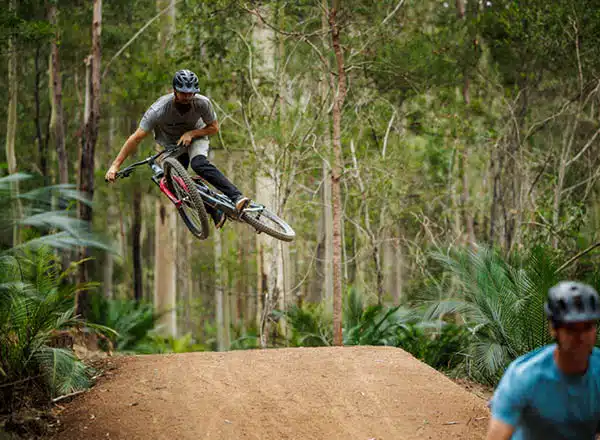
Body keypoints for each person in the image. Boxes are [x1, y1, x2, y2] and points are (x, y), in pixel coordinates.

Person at [104, 69, 250, 229]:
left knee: (199, 164)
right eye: (183, 93)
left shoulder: (202, 103)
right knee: (171, 185)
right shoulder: (158, 110)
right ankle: (214, 211)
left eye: (191, 93)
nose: (188, 97)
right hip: (172, 147)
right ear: (175, 91)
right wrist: (115, 165)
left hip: (196, 138)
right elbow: (136, 138)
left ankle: (236, 197)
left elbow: (214, 128)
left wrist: (192, 133)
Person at [486, 281, 600, 440]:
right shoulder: (522, 376)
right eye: (571, 329)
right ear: (554, 329)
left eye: (587, 327)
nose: (581, 337)